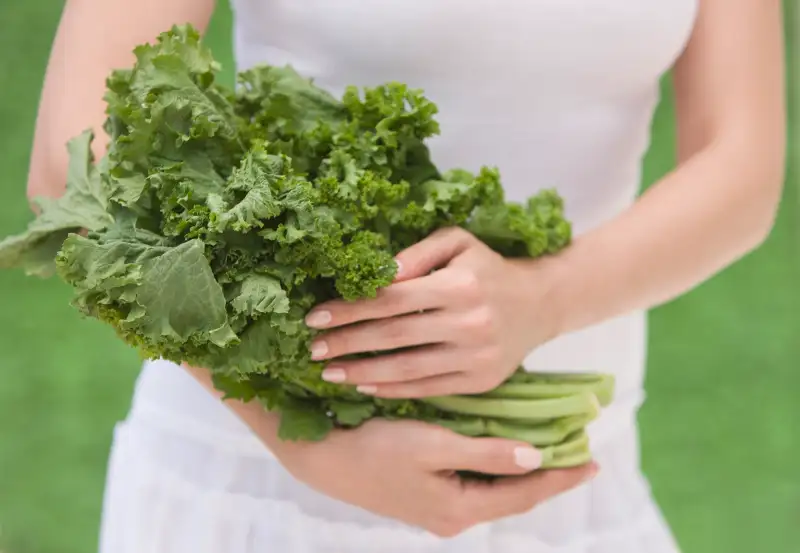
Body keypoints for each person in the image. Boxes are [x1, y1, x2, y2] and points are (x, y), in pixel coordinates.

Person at [27, 1, 785, 552]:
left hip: (571, 485)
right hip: (258, 488)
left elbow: (742, 164)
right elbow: (75, 160)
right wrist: (305, 441)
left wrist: (544, 296)